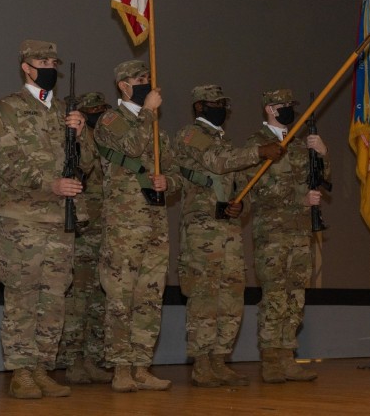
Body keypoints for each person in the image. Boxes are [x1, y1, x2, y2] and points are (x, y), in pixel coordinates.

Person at [0, 39, 95, 399]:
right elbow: (5, 163)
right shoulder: (7, 109)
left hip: (59, 221)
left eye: (52, 60)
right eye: (41, 60)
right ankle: (21, 371)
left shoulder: (65, 110)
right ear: (26, 67)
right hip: (23, 221)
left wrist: (81, 135)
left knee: (54, 297)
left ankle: (43, 367)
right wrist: (50, 185)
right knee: (23, 296)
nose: (48, 66)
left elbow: (89, 164)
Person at [173, 84, 284, 388]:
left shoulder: (226, 141)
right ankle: (202, 363)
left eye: (224, 103)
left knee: (232, 297)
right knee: (205, 296)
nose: (221, 107)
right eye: (215, 103)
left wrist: (241, 206)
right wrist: (260, 151)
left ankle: (220, 360)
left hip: (229, 230)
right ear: (200, 107)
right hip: (202, 229)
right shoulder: (189, 134)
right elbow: (217, 163)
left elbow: (240, 185)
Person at [94, 60, 180, 393]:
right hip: (124, 225)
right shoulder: (110, 120)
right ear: (122, 86)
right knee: (120, 298)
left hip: (156, 223)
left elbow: (176, 174)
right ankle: (120, 368)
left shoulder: (156, 127)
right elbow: (129, 147)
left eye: (147, 78)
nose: (144, 83)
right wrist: (147, 111)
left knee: (149, 298)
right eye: (137, 79)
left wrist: (167, 182)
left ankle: (142, 366)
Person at [246, 89, 329, 383]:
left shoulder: (297, 145)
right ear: (269, 108)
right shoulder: (258, 145)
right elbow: (256, 191)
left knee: (295, 296)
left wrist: (321, 154)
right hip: (272, 233)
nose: (289, 110)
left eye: (291, 105)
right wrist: (299, 199)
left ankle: (287, 357)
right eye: (283, 105)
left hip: (300, 232)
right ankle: (271, 359)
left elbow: (320, 180)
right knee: (275, 296)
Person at [56, 92, 113, 384]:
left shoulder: (105, 143)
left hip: (105, 229)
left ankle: (92, 358)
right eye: (92, 111)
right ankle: (73, 360)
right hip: (82, 229)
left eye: (102, 110)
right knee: (77, 297)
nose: (98, 115)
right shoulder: (73, 143)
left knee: (98, 299)